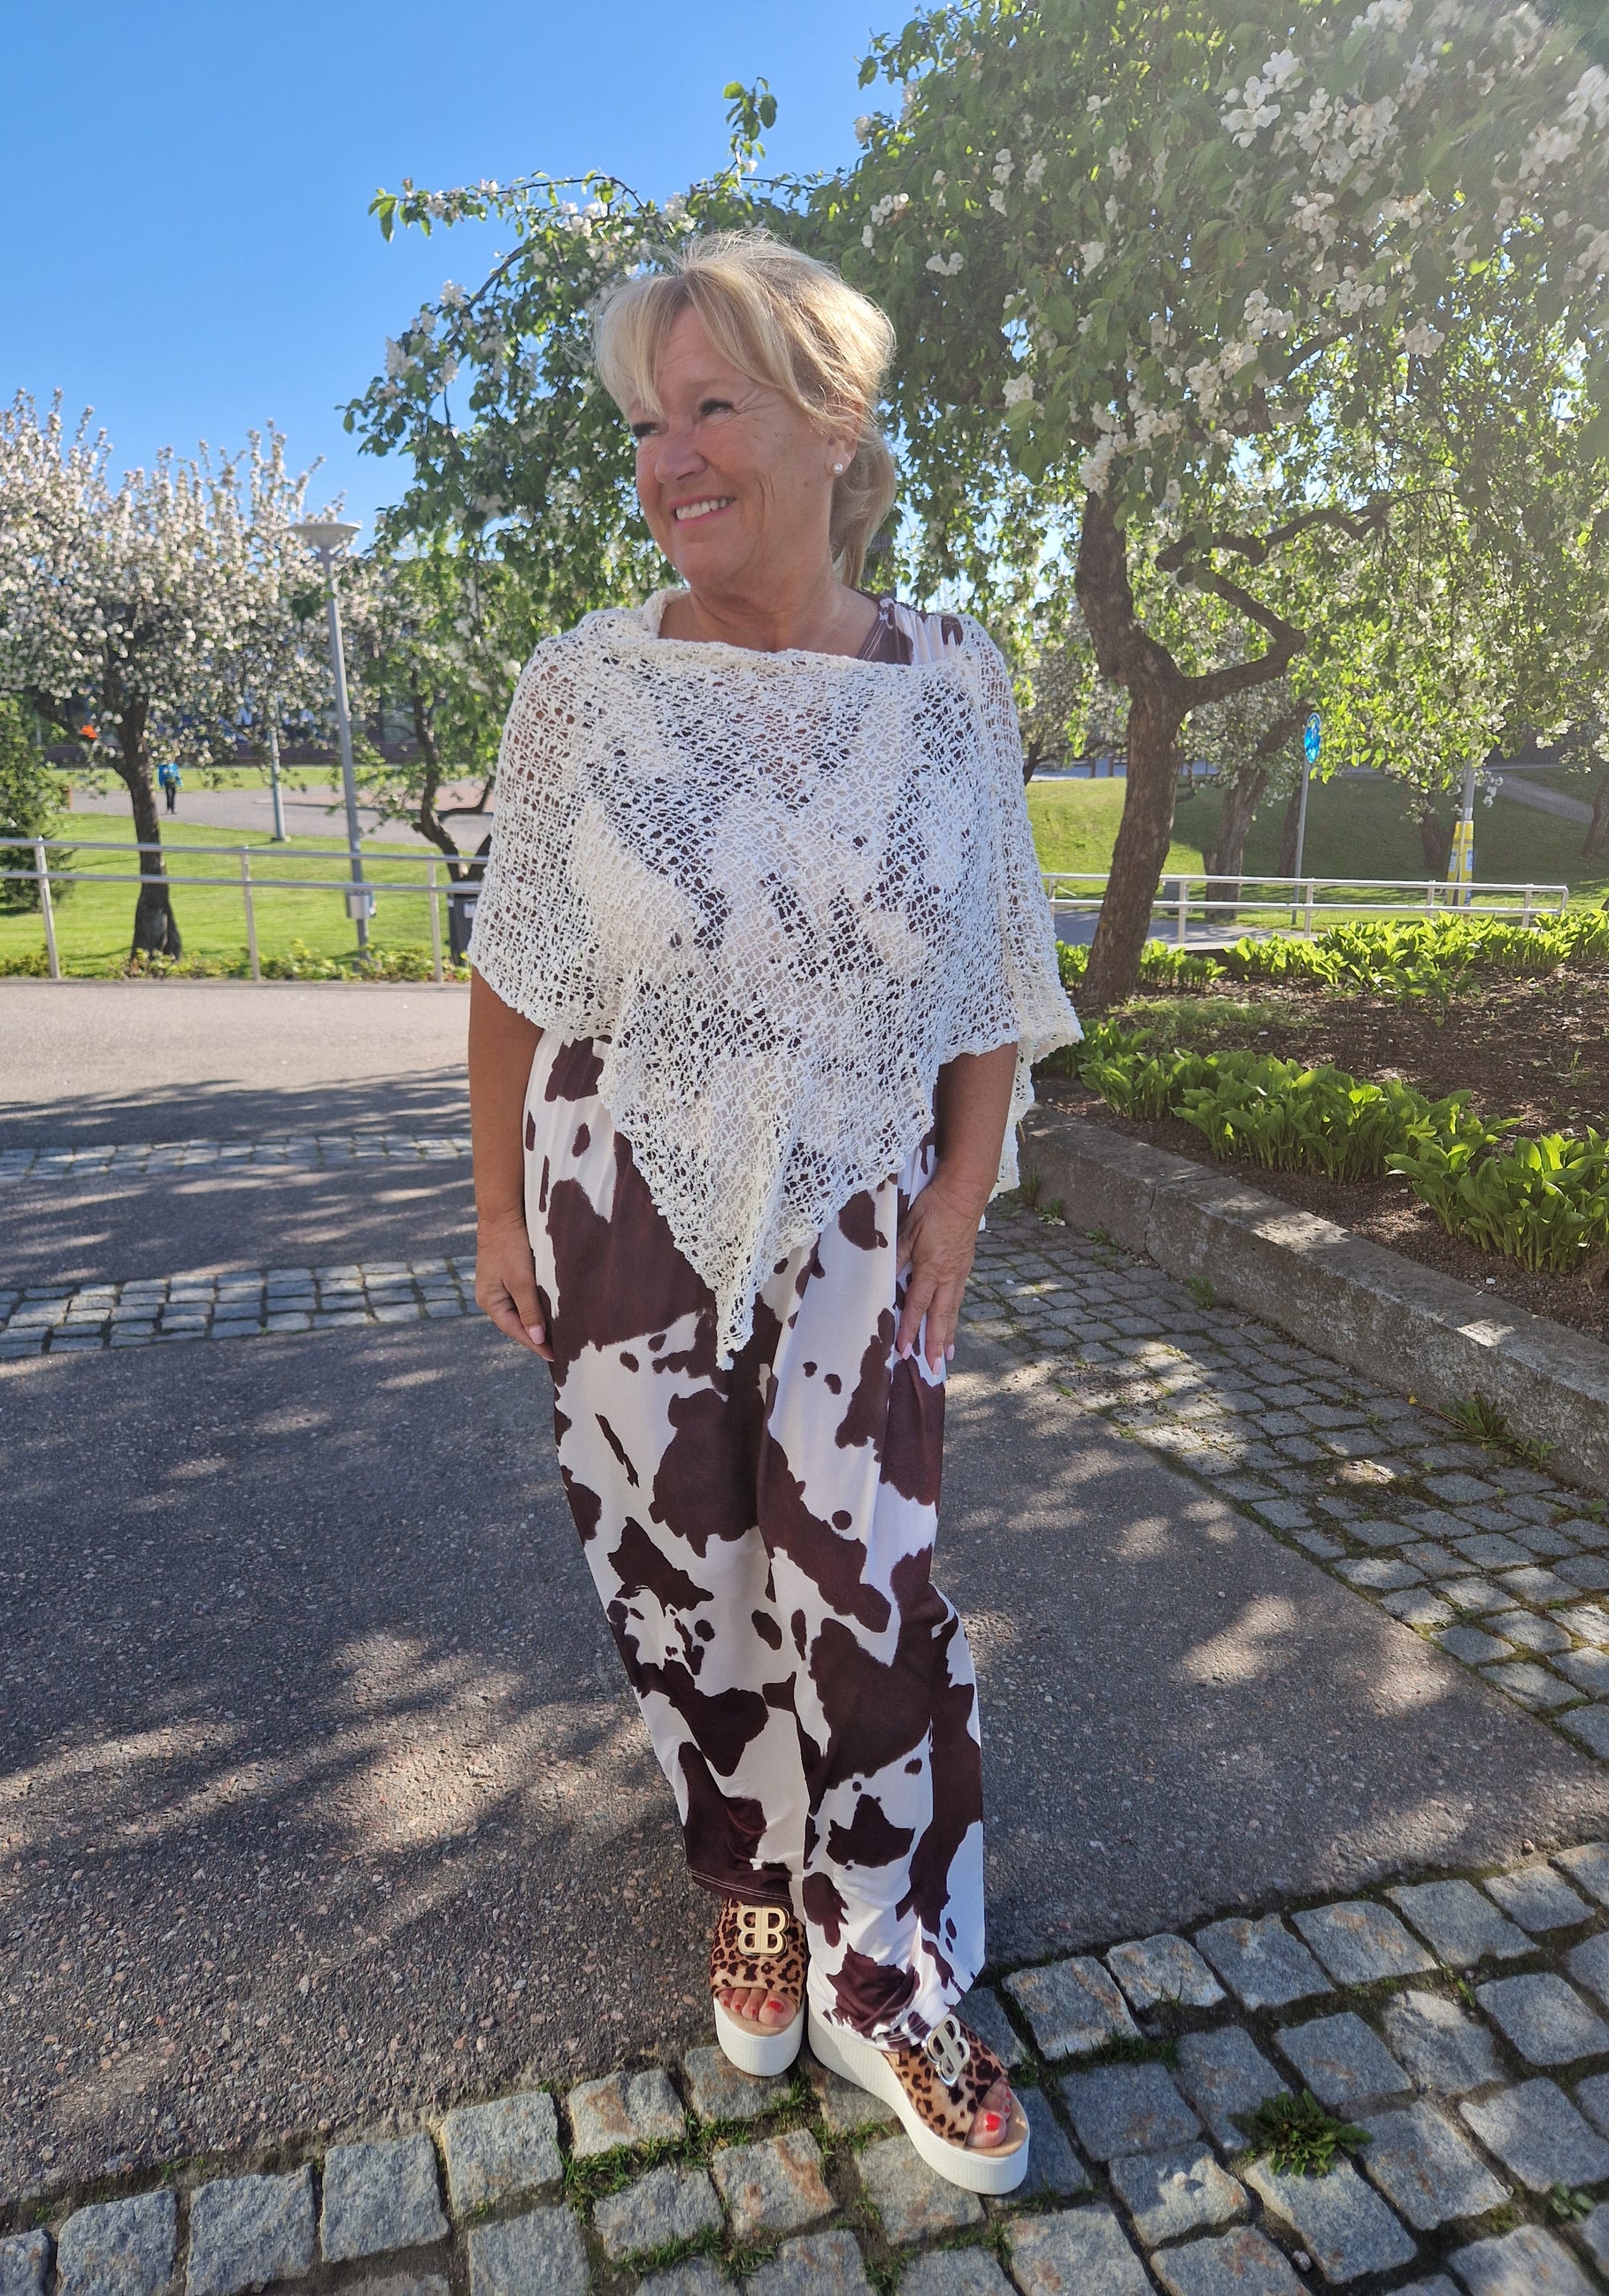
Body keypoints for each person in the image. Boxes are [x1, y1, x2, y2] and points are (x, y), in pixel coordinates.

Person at [466, 233, 1079, 2195]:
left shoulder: (950, 682)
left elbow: (989, 965)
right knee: (675, 1567)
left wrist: (961, 1192)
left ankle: (881, 1955)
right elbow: (517, 966)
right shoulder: (587, 684)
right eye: (647, 424)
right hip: (616, 1192)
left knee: (862, 1579)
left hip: (861, 1205)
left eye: (709, 406)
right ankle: (745, 1878)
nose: (668, 458)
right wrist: (497, 1208)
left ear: (833, 420)